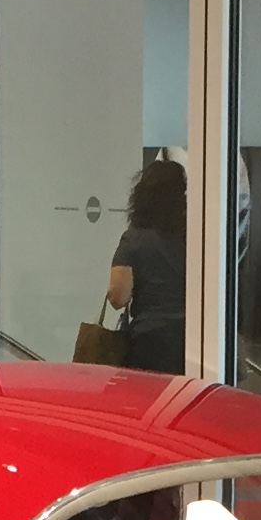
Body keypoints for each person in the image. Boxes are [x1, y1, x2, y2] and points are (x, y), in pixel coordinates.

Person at [103, 157, 188, 377]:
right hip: (194, 340)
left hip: (149, 342)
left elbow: (118, 297)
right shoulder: (197, 238)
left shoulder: (134, 239)